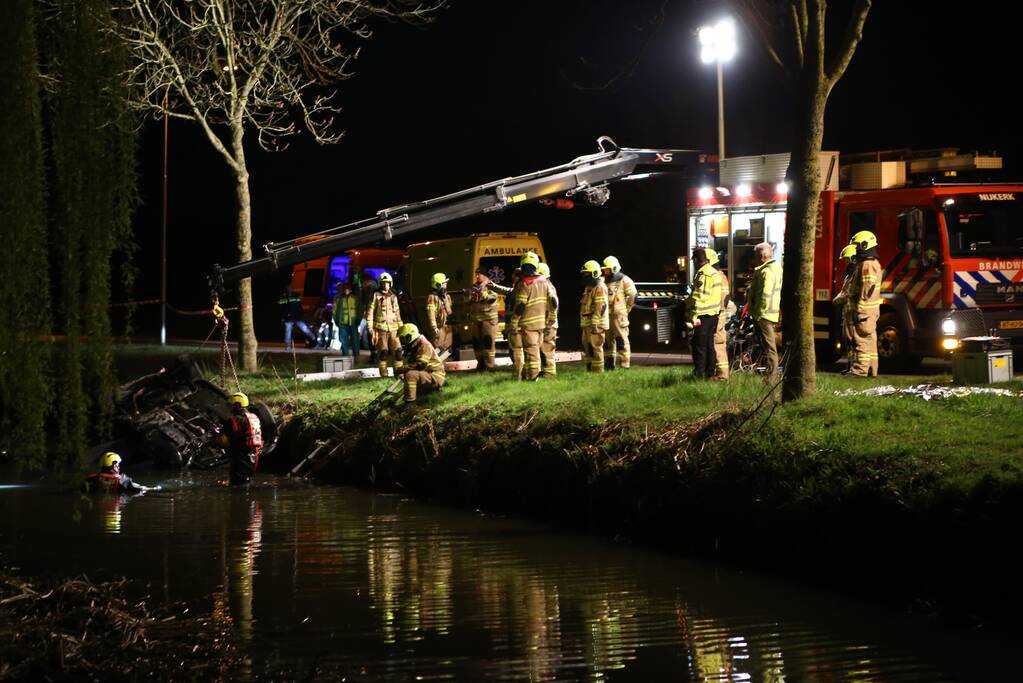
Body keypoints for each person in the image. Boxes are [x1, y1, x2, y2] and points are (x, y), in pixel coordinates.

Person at [508, 252, 548, 381]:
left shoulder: (524, 283)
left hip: (527, 325)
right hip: (541, 324)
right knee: (535, 351)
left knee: (529, 352)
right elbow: (553, 302)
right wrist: (550, 318)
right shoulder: (544, 281)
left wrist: (514, 322)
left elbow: (520, 306)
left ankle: (531, 378)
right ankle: (531, 377)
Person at [848, 230, 882, 377]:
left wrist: (860, 308)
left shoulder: (867, 265)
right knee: (870, 341)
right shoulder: (872, 263)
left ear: (864, 245)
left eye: (857, 246)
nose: (855, 250)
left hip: (864, 311)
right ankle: (871, 370)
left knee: (861, 341)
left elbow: (866, 288)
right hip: (870, 310)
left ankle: (859, 371)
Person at [747, 242, 783, 379]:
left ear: (762, 257)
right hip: (770, 313)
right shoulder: (776, 268)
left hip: (764, 315)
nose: (754, 260)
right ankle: (770, 373)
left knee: (769, 347)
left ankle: (771, 376)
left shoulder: (766, 272)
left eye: (755, 257)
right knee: (769, 346)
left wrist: (758, 314)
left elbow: (765, 295)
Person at [685, 248, 722, 378]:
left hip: (702, 315)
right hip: (712, 314)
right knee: (709, 345)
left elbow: (699, 297)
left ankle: (699, 373)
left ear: (696, 260)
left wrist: (692, 315)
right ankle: (709, 372)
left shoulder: (704, 274)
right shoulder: (713, 272)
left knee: (699, 345)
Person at [601, 255, 638, 370]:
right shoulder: (603, 280)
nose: (605, 271)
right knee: (608, 342)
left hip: (618, 317)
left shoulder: (624, 280)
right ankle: (609, 364)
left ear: (614, 268)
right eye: (604, 269)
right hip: (606, 316)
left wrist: (627, 308)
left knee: (622, 341)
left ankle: (624, 364)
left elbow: (633, 295)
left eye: (607, 269)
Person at [366, 272, 404, 377]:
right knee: (383, 352)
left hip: (394, 329)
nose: (385, 285)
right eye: (383, 283)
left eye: (387, 283)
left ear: (390, 284)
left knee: (398, 351)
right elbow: (370, 311)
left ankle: (399, 372)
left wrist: (401, 327)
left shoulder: (393, 297)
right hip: (380, 329)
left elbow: (397, 312)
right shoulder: (375, 296)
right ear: (380, 284)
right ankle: (384, 374)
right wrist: (370, 326)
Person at [397, 323, 446, 403]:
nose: (402, 341)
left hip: (434, 375)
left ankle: (410, 403)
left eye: (403, 338)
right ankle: (413, 398)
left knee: (410, 375)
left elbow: (421, 365)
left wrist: (403, 369)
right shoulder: (414, 345)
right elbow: (411, 363)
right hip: (427, 373)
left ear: (410, 336)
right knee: (409, 376)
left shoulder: (424, 345)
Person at [221, 392, 263, 486]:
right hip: (254, 457)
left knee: (237, 487)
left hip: (241, 458)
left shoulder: (234, 420)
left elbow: (225, 440)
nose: (229, 408)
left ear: (238, 405)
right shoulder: (254, 417)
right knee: (246, 483)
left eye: (231, 405)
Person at [831, 244, 859, 371]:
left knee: (852, 340)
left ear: (852, 258)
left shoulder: (854, 274)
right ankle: (850, 366)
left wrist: (836, 300)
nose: (846, 262)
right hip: (847, 312)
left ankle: (854, 367)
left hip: (851, 312)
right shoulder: (850, 274)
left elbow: (847, 293)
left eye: (847, 259)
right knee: (848, 340)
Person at [467, 266, 500, 371]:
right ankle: (480, 364)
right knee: (477, 343)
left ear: (485, 275)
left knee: (488, 343)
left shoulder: (491, 285)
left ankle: (489, 365)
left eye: (479, 274)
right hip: (476, 320)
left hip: (488, 320)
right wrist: (468, 295)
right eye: (476, 274)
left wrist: (482, 293)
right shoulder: (474, 286)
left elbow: (492, 298)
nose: (477, 276)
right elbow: (470, 302)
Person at [579, 260, 609, 372]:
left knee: (596, 348)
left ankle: (598, 371)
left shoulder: (599, 287)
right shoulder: (589, 287)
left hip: (595, 325)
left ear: (595, 274)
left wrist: (595, 323)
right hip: (588, 324)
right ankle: (590, 370)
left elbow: (600, 306)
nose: (584, 276)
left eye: (587, 274)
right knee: (588, 348)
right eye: (584, 274)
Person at [706, 248, 731, 381]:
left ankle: (722, 375)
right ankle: (717, 373)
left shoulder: (718, 277)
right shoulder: (719, 275)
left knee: (718, 343)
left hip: (717, 315)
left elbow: (722, 300)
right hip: (717, 315)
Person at [85, 452, 152, 495]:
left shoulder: (90, 479)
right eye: (118, 464)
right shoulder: (122, 480)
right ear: (114, 466)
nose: (119, 467)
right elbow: (137, 488)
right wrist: (146, 488)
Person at [537, 262, 559, 377]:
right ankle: (545, 371)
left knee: (547, 349)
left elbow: (554, 308)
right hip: (545, 323)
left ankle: (549, 373)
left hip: (549, 324)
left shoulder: (549, 288)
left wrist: (549, 325)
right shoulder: (545, 287)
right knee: (543, 349)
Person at [278, 285, 316, 350]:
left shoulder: (296, 296)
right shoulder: (283, 298)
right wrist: (283, 318)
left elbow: (300, 306)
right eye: (287, 289)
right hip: (288, 318)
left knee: (305, 329)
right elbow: (280, 309)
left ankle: (315, 340)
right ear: (285, 290)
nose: (289, 290)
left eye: (290, 289)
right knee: (288, 331)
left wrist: (301, 314)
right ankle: (288, 346)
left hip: (297, 317)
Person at [425, 273, 454, 356]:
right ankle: (436, 362)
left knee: (447, 349)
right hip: (439, 327)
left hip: (447, 326)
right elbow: (431, 313)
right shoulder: (432, 297)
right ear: (438, 285)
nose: (446, 285)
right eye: (444, 283)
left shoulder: (446, 296)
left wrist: (445, 299)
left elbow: (449, 311)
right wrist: (434, 327)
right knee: (438, 348)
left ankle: (444, 363)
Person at [333, 281, 361, 357]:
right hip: (342, 322)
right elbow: (334, 311)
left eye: (347, 289)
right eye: (345, 289)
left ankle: (356, 356)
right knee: (343, 340)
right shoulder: (339, 299)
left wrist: (359, 319)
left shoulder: (355, 298)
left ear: (350, 290)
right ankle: (345, 355)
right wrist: (336, 321)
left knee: (355, 340)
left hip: (353, 322)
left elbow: (359, 309)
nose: (346, 290)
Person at [358, 272, 376, 360]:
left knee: (370, 334)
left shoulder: (370, 289)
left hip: (372, 315)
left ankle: (374, 354)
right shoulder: (372, 288)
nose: (361, 284)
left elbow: (367, 303)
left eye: (362, 282)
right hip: (371, 315)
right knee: (370, 334)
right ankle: (374, 354)